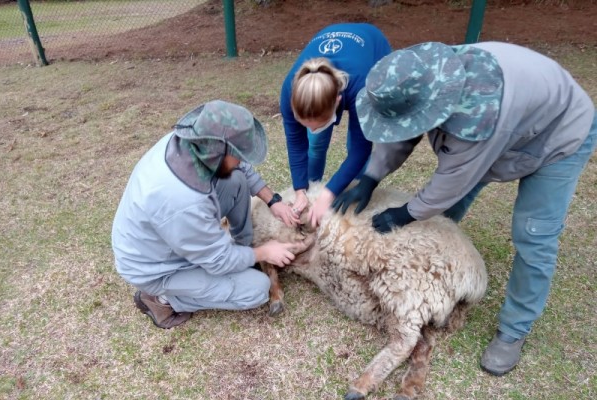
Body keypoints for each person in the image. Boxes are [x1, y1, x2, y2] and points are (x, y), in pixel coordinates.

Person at [332, 41, 597, 376]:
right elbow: (401, 128)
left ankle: (514, 330)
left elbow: (452, 181)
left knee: (534, 234)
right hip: (514, 117)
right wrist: (371, 175)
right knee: (442, 212)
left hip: (557, 133)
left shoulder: (476, 117)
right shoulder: (421, 74)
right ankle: (434, 270)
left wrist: (405, 214)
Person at [112, 100, 310, 329]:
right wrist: (265, 251)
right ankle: (162, 299)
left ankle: (242, 250)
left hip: (173, 235)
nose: (243, 160)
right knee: (257, 290)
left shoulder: (190, 145)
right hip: (159, 267)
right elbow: (217, 261)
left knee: (235, 178)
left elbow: (239, 168)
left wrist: (272, 200)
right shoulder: (183, 201)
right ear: (218, 153)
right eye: (239, 154)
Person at [280, 23, 392, 227]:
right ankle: (312, 188)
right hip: (334, 45)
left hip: (373, 49)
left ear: (338, 102)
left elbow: (361, 150)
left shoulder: (362, 89)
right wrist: (300, 189)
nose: (311, 129)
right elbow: (296, 143)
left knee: (355, 143)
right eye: (306, 124)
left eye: (319, 122)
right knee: (315, 143)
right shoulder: (290, 90)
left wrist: (328, 195)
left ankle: (352, 197)